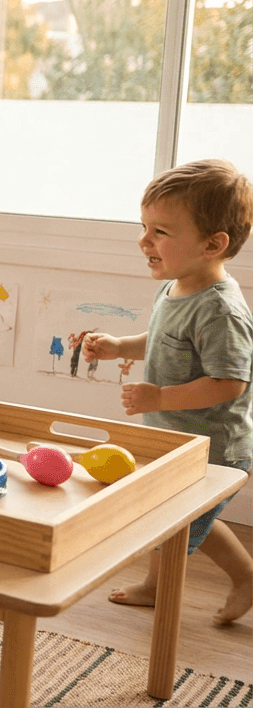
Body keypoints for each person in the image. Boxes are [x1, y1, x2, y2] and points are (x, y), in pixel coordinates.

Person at [83, 159, 253, 625]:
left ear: (212, 244)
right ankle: (242, 576)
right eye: (144, 227)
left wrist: (159, 398)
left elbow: (229, 382)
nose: (144, 240)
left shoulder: (221, 311)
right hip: (178, 436)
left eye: (160, 231)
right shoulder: (176, 287)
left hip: (215, 447)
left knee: (169, 522)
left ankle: (163, 591)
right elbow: (161, 340)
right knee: (179, 514)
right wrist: (122, 346)